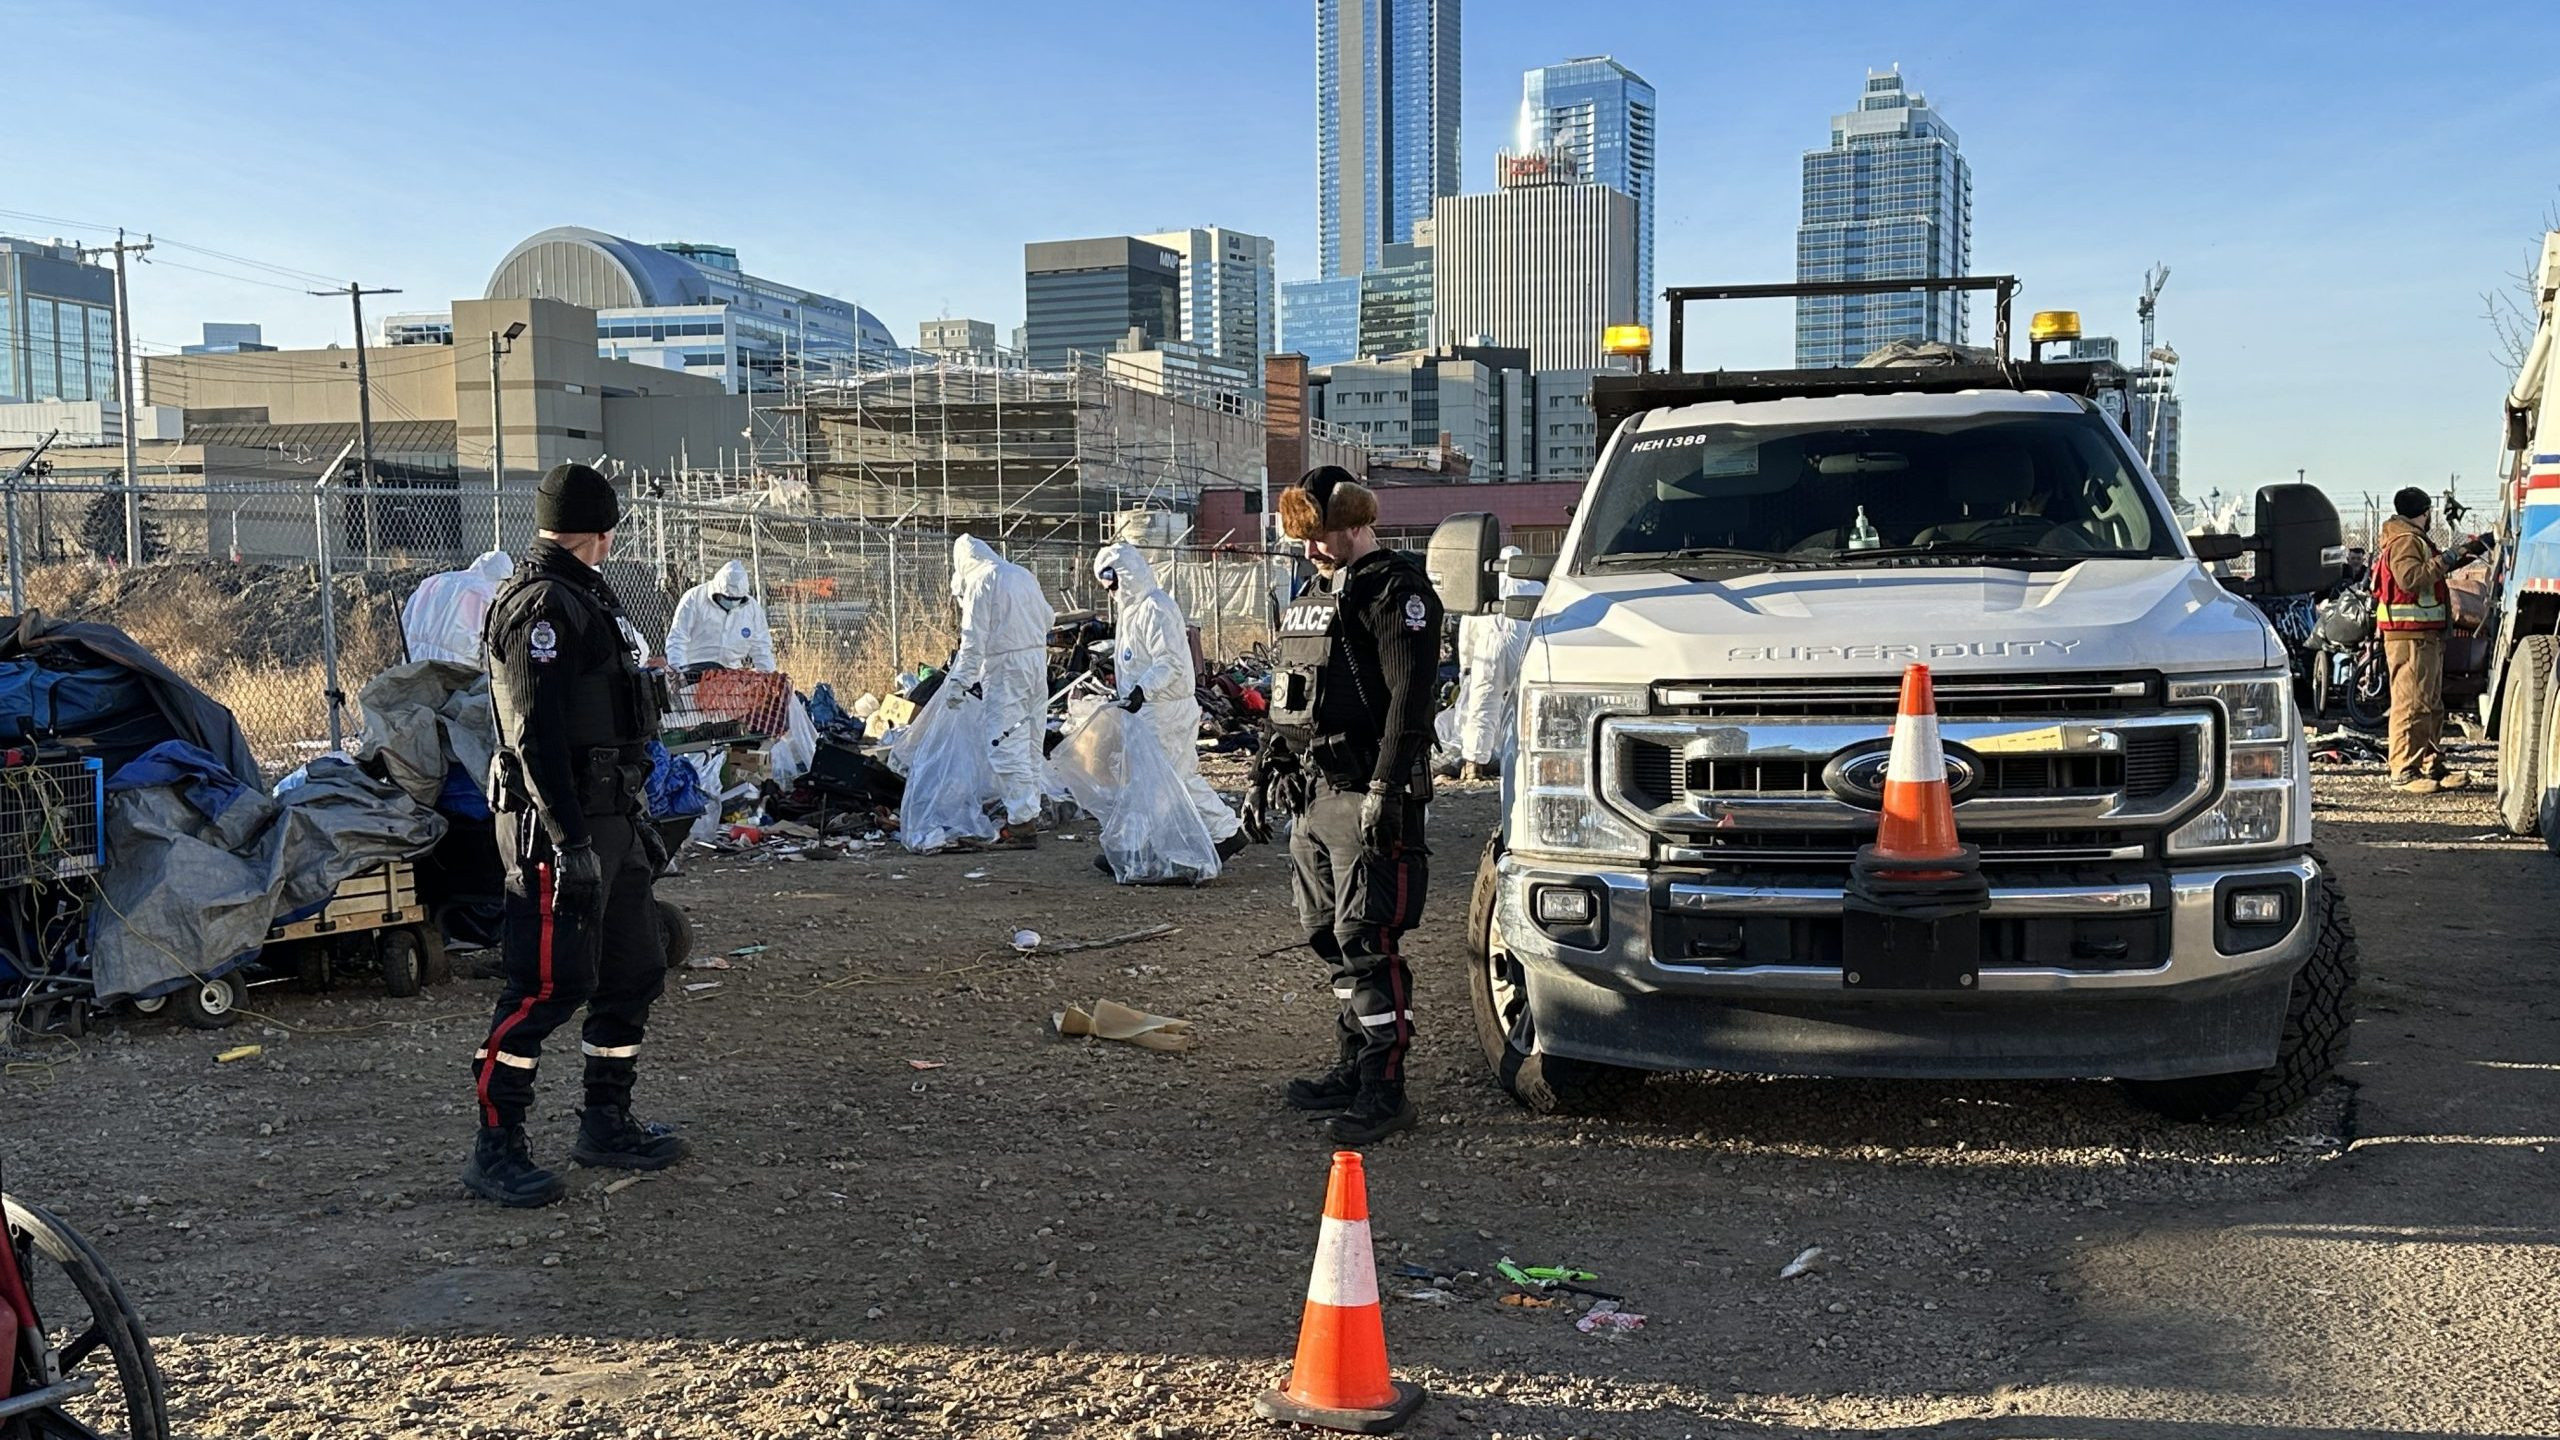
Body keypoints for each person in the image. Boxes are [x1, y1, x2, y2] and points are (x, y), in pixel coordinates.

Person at [464, 462, 689, 1208]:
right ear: (605, 530)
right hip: (559, 823)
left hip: (611, 816)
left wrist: (629, 824)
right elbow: (532, 736)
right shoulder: (542, 606)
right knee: (545, 987)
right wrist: (568, 839)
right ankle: (497, 1148)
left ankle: (606, 1120)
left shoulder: (586, 594)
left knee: (633, 971)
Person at [1241, 466, 1441, 1146]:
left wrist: (1386, 789)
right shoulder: (1313, 592)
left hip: (1365, 790)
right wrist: (1268, 762)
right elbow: (1291, 685)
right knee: (1328, 936)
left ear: (1355, 522)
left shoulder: (1396, 591)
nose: (1309, 551)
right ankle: (1354, 1066)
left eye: (1318, 536)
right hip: (1315, 789)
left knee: (1368, 939)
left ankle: (1386, 1091)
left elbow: (1410, 700)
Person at [1091, 540, 1246, 874]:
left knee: (1173, 779)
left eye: (1111, 581)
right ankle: (1135, 847)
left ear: (1125, 574)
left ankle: (1225, 831)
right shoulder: (1132, 610)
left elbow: (1171, 662)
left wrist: (1141, 690)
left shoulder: (1155, 607)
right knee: (1149, 781)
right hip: (1147, 709)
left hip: (1165, 710)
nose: (1110, 590)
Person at [2374, 486, 2487, 796]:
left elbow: (2437, 568)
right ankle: (2403, 771)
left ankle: (2430, 764)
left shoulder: (2414, 539)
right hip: (2409, 635)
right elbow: (2410, 578)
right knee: (2410, 705)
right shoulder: (2405, 540)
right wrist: (2446, 559)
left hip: (2425, 634)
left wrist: (2472, 550)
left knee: (2430, 704)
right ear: (2424, 513)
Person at [948, 534, 1055, 849]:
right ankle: (1027, 814)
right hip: (1036, 665)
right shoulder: (1021, 574)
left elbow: (972, 639)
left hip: (1005, 668)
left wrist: (960, 681)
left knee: (1005, 744)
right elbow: (1048, 618)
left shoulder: (982, 581)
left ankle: (1022, 824)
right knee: (1030, 743)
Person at [1452, 546, 1538, 781]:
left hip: (1488, 649)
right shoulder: (1535, 585)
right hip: (1524, 648)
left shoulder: (1483, 588)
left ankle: (1473, 764)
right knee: (1527, 708)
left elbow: (1467, 632)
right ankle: (1528, 761)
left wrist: (1466, 668)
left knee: (1482, 707)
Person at [665, 560, 774, 680]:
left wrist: (769, 676)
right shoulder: (694, 598)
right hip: (694, 673)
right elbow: (678, 638)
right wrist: (680, 672)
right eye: (727, 598)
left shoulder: (751, 609)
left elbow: (761, 647)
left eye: (737, 599)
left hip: (731, 677)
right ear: (717, 591)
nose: (732, 602)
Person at [401, 550, 513, 666]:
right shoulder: (490, 595)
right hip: (459, 670)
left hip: (416, 660)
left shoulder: (435, 581)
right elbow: (489, 648)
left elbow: (406, 621)